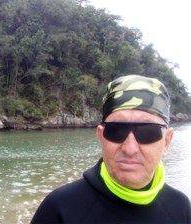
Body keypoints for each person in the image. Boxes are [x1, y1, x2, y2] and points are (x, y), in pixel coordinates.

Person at [31, 75, 191, 224]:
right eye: (116, 130)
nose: (130, 148)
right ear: (101, 136)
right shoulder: (59, 209)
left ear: (167, 141)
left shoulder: (180, 209)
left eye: (148, 132)